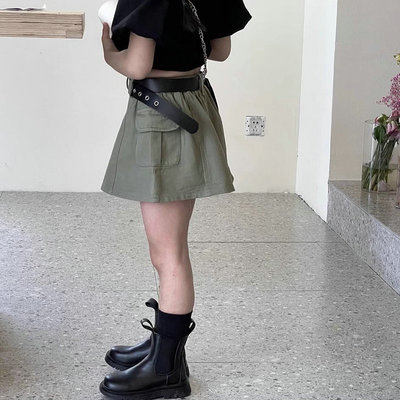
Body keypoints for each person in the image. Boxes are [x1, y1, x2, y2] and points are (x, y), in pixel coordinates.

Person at [99, 0, 252, 398]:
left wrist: (108, 50)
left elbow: (137, 65)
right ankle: (164, 347)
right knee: (171, 249)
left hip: (162, 118)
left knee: (168, 254)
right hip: (189, 102)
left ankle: (166, 370)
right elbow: (220, 50)